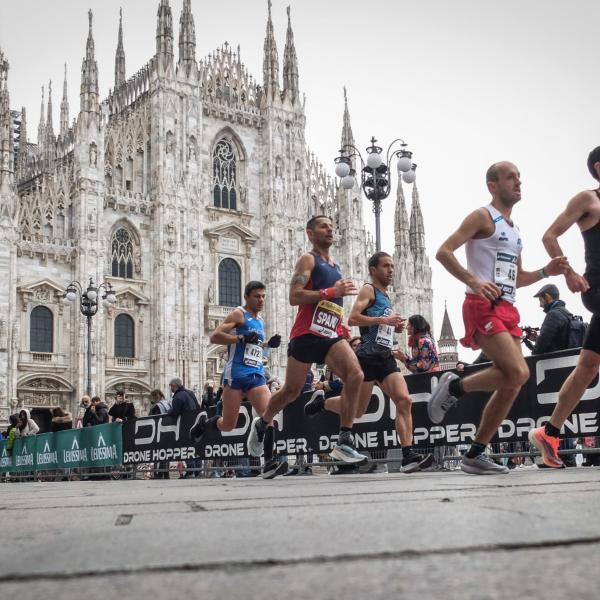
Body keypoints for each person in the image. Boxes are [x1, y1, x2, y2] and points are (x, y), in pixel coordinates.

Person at [430, 161, 569, 474]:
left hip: (508, 306)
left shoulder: (515, 231)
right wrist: (474, 281)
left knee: (511, 382)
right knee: (518, 372)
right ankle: (454, 388)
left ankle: (475, 452)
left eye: (520, 177)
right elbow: (444, 252)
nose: (518, 182)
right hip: (481, 304)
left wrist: (548, 271)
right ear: (493, 185)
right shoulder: (482, 216)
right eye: (511, 178)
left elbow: (517, 278)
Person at [247, 215, 367, 478]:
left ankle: (344, 440)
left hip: (329, 335)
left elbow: (332, 305)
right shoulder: (308, 259)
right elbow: (294, 297)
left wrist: (341, 327)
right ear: (310, 233)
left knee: (355, 374)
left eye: (332, 226)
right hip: (305, 335)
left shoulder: (335, 266)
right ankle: (263, 423)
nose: (330, 229)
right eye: (324, 226)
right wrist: (330, 293)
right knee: (290, 392)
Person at [305, 251, 433, 473]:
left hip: (385, 357)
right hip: (367, 358)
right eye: (386, 266)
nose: (391, 270)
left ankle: (408, 455)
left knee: (404, 401)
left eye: (392, 266)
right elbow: (353, 318)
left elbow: (381, 325)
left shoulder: (386, 295)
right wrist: (383, 320)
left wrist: (394, 326)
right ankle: (321, 403)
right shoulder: (368, 289)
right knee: (358, 411)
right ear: (373, 270)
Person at [528, 146, 600, 468]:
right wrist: (569, 272)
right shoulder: (588, 199)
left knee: (587, 367)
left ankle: (550, 432)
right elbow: (549, 236)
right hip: (595, 285)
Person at [189, 281, 282, 477]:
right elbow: (215, 336)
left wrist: (267, 344)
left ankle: (269, 462)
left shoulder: (260, 320)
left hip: (256, 373)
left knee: (268, 415)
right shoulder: (238, 314)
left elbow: (253, 345)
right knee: (229, 424)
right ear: (246, 296)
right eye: (257, 296)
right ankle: (205, 424)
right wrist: (239, 338)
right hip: (236, 374)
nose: (261, 300)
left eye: (263, 296)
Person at [524, 283, 584, 355]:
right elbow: (559, 343)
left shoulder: (553, 315)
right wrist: (536, 339)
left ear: (547, 296)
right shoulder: (566, 313)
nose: (540, 305)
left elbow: (540, 348)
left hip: (556, 363)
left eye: (540, 300)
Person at [149, 389, 171, 479]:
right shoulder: (167, 404)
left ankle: (159, 473)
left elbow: (152, 419)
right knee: (166, 454)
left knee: (159, 453)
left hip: (159, 432)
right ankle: (166, 473)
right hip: (168, 431)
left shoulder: (157, 406)